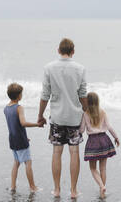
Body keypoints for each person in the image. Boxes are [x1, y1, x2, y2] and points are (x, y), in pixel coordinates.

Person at [37, 38, 87, 199]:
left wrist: (40, 115)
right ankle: (73, 191)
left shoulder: (49, 68)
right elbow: (83, 95)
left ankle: (57, 189)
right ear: (73, 51)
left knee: (57, 152)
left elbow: (45, 95)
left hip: (57, 117)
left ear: (58, 50)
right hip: (74, 117)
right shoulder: (80, 69)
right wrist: (86, 112)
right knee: (74, 152)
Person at [4, 83, 44, 193]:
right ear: (18, 96)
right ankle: (32, 187)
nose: (22, 95)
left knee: (16, 162)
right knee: (28, 163)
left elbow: (13, 125)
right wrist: (37, 124)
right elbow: (22, 123)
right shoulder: (19, 108)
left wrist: (25, 137)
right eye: (21, 93)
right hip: (20, 140)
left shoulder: (6, 108)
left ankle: (12, 186)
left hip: (13, 139)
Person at [79, 92, 120, 199]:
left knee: (93, 168)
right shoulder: (102, 112)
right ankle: (102, 191)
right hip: (104, 139)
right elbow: (109, 127)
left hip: (93, 142)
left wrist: (75, 131)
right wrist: (116, 137)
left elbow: (82, 130)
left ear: (87, 102)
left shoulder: (85, 113)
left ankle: (101, 186)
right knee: (103, 168)